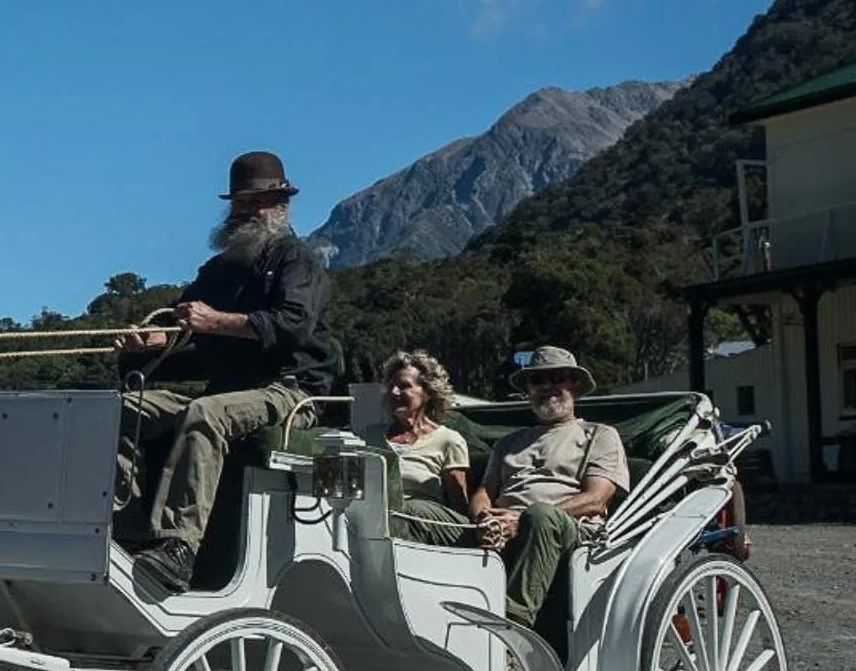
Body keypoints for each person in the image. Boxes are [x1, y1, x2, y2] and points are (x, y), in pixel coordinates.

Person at [116, 150, 336, 593]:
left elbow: (292, 324)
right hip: (226, 388)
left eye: (257, 202)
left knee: (206, 415)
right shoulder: (218, 270)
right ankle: (125, 521)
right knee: (124, 408)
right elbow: (181, 328)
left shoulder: (297, 259)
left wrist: (215, 322)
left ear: (280, 204)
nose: (246, 211)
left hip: (290, 391)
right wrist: (151, 342)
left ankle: (179, 547)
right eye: (239, 202)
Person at [466, 345, 630, 643]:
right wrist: (483, 519)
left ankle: (512, 633)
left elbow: (597, 498)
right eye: (537, 381)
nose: (547, 387)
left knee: (540, 515)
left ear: (575, 385)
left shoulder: (599, 435)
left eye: (557, 378)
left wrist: (519, 519)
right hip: (500, 526)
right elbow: (483, 493)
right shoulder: (509, 443)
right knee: (421, 514)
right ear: (528, 390)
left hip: (568, 531)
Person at [362, 348, 471, 543]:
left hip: (425, 521)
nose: (394, 392)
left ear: (427, 393)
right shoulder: (370, 436)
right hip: (372, 518)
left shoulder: (449, 440)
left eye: (404, 386)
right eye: (391, 386)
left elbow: (458, 506)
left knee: (410, 509)